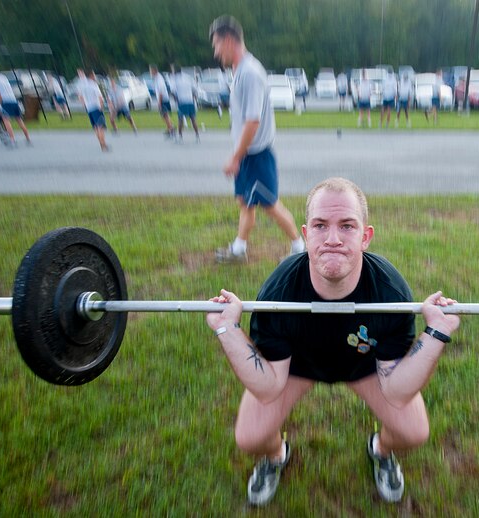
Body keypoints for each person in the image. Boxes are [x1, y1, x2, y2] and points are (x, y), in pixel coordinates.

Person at [205, 176, 460, 506]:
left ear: (366, 236)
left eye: (348, 226)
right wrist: (227, 329)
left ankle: (380, 451)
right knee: (250, 438)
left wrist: (437, 332)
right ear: (306, 234)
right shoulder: (278, 293)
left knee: (413, 432)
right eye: (321, 226)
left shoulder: (390, 294)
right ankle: (274, 455)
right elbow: (268, 387)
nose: (333, 238)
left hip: (363, 364)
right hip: (298, 365)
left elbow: (397, 392)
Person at [209, 15, 305, 264]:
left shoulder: (250, 73)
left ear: (229, 41)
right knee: (246, 202)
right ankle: (239, 250)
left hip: (256, 155)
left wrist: (235, 157)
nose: (216, 53)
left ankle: (300, 249)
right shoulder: (241, 71)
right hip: (248, 154)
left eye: (217, 46)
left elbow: (253, 121)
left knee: (270, 204)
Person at [0, 65, 31, 145]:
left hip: (5, 100)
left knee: (6, 120)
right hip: (13, 99)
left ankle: (12, 140)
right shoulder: (3, 77)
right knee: (19, 119)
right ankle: (27, 138)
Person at [75, 69, 109, 152]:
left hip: (89, 109)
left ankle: (102, 145)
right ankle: (104, 145)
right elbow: (100, 97)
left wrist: (85, 104)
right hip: (96, 107)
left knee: (96, 128)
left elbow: (80, 97)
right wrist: (101, 107)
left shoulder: (84, 86)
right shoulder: (94, 85)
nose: (95, 76)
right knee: (100, 127)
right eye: (94, 75)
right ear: (90, 76)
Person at [172, 66, 200, 142]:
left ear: (175, 71)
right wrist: (194, 98)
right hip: (190, 101)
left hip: (182, 101)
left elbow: (173, 91)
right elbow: (195, 90)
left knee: (180, 119)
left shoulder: (175, 79)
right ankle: (197, 135)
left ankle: (180, 136)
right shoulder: (188, 78)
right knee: (193, 119)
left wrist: (176, 100)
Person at [150, 65, 175, 138]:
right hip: (163, 98)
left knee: (165, 115)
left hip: (163, 99)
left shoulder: (159, 79)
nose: (151, 72)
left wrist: (159, 102)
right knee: (164, 116)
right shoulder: (157, 78)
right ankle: (170, 128)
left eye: (151, 71)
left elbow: (161, 91)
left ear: (155, 71)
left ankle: (171, 129)